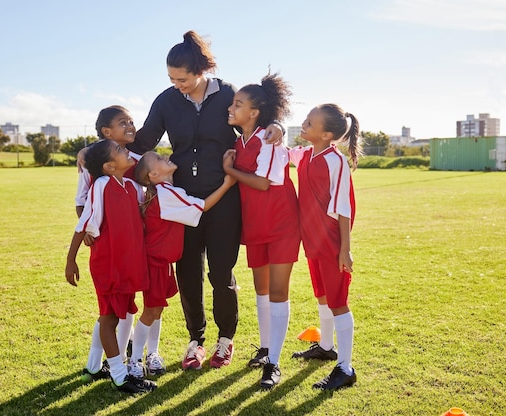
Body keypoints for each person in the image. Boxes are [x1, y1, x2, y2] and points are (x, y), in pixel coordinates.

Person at [127, 30, 284, 370]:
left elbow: (255, 117)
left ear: (199, 70)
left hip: (224, 197)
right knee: (187, 272)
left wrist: (278, 128)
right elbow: (143, 141)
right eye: (171, 78)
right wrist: (100, 149)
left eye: (181, 78)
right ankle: (195, 340)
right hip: (183, 201)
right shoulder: (166, 101)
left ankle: (225, 339)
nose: (176, 84)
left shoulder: (227, 93)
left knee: (221, 272)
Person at [126, 151, 236, 376]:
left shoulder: (164, 191)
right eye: (159, 158)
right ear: (154, 174)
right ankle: (135, 361)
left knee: (156, 311)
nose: (165, 155)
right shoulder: (167, 193)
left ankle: (151, 355)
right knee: (150, 312)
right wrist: (228, 183)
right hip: (155, 262)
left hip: (162, 263)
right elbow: (203, 206)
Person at [222, 73, 300, 389]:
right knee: (262, 292)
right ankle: (266, 348)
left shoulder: (268, 138)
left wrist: (230, 170)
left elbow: (263, 183)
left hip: (281, 224)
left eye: (238, 104)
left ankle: (274, 365)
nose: (231, 107)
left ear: (254, 113)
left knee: (279, 293)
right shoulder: (239, 141)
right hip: (255, 226)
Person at [64, 139, 156, 394]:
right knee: (109, 318)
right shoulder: (102, 186)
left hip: (128, 265)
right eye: (119, 150)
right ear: (108, 166)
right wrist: (71, 260)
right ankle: (118, 375)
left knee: (118, 315)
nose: (125, 151)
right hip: (109, 264)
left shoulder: (130, 186)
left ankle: (110, 370)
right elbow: (84, 223)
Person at [288, 103, 363, 391]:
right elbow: (283, 152)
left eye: (310, 122)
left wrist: (345, 249)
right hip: (312, 240)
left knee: (338, 301)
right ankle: (326, 347)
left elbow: (344, 208)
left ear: (327, 133)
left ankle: (345, 368)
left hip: (331, 241)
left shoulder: (336, 161)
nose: (304, 124)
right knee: (321, 295)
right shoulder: (305, 154)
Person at [74, 106, 141, 382]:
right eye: (122, 122)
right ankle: (98, 363)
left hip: (133, 246)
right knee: (110, 309)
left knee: (123, 306)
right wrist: (89, 230)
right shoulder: (91, 165)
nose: (130, 125)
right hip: (108, 247)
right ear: (106, 131)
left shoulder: (137, 161)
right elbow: (82, 202)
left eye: (131, 121)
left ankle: (118, 361)